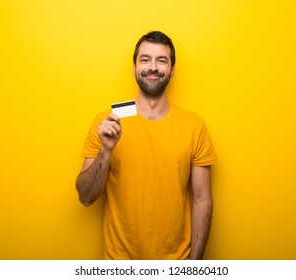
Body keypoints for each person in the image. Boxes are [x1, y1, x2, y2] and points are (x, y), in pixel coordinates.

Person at [76, 31, 217, 260]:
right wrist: (106, 151)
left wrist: (195, 266)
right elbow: (85, 197)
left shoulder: (194, 125)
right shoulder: (109, 122)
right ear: (134, 68)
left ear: (172, 70)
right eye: (145, 59)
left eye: (162, 60)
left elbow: (202, 199)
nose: (153, 66)